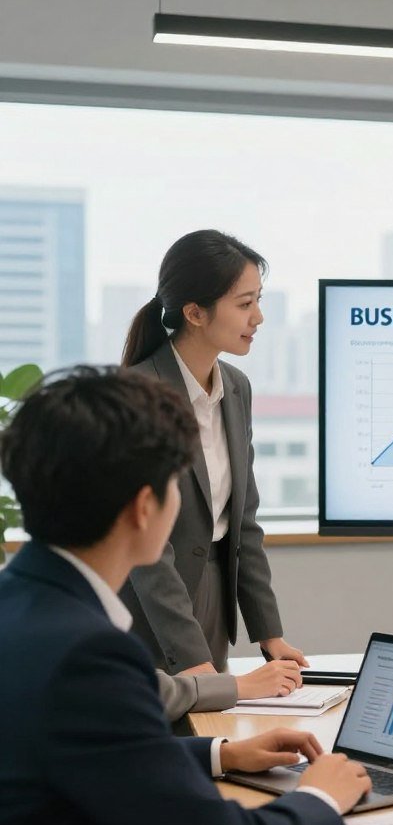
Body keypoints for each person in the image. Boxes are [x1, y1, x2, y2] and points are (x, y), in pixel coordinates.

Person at [0, 366, 371, 825]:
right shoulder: (89, 654)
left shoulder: (23, 604)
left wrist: (220, 754)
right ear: (146, 507)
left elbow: (82, 757)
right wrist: (321, 799)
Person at [121, 229, 306, 689]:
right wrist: (193, 662)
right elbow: (146, 546)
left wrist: (270, 633)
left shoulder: (236, 388)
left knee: (216, 729)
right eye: (244, 304)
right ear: (194, 313)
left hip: (212, 600)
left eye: (258, 300)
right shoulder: (139, 394)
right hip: (151, 610)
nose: (258, 316)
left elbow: (244, 523)